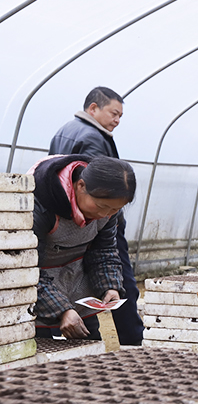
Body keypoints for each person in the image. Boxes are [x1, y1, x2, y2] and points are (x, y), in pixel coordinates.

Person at [48, 87, 143, 346]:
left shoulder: (65, 130)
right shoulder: (93, 140)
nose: (117, 121)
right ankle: (131, 342)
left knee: (91, 275)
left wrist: (109, 284)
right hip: (76, 226)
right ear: (93, 108)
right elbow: (103, 187)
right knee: (121, 281)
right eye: (114, 113)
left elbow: (103, 250)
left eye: (121, 116)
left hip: (72, 225)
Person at [32, 155, 137, 340]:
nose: (104, 214)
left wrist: (109, 287)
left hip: (77, 292)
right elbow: (28, 272)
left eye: (114, 210)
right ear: (80, 186)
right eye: (100, 206)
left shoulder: (108, 211)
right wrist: (61, 310)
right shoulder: (38, 206)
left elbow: (103, 252)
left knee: (88, 351)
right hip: (36, 295)